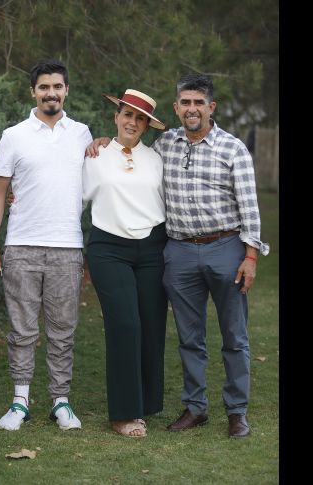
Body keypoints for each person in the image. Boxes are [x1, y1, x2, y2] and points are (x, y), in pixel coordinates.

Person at [86, 74, 270, 438]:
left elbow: (250, 206)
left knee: (234, 335)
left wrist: (251, 256)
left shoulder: (232, 149)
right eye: (185, 102)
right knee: (189, 336)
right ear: (176, 108)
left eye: (198, 102)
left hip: (225, 247)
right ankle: (196, 407)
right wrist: (102, 143)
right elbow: (122, 156)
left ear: (211, 107)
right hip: (180, 250)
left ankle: (236, 411)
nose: (191, 108)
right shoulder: (165, 145)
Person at [0, 58, 93, 432]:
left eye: (57, 86)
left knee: (63, 329)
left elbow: (97, 176)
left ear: (67, 91)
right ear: (33, 91)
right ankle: (20, 401)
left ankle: (61, 402)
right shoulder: (13, 135)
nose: (51, 93)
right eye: (44, 87)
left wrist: (105, 142)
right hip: (21, 245)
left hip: (67, 246)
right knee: (22, 329)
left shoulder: (82, 134)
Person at [82, 89, 168, 438]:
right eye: (127, 114)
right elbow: (71, 196)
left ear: (147, 125)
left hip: (152, 249)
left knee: (150, 327)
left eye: (140, 118)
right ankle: (123, 414)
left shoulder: (157, 159)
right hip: (108, 248)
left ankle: (145, 404)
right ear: (116, 117)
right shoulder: (93, 155)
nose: (132, 122)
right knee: (125, 326)